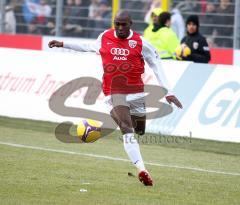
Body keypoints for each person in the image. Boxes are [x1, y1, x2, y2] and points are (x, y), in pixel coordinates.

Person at [48, 10, 182, 186]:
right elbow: (87, 47)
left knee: (139, 129)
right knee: (127, 128)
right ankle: (142, 169)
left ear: (130, 24)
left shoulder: (141, 43)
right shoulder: (105, 37)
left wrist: (169, 92)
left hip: (136, 92)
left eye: (123, 24)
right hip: (113, 92)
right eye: (116, 24)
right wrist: (63, 44)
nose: (119, 27)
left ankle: (125, 127)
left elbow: (156, 64)